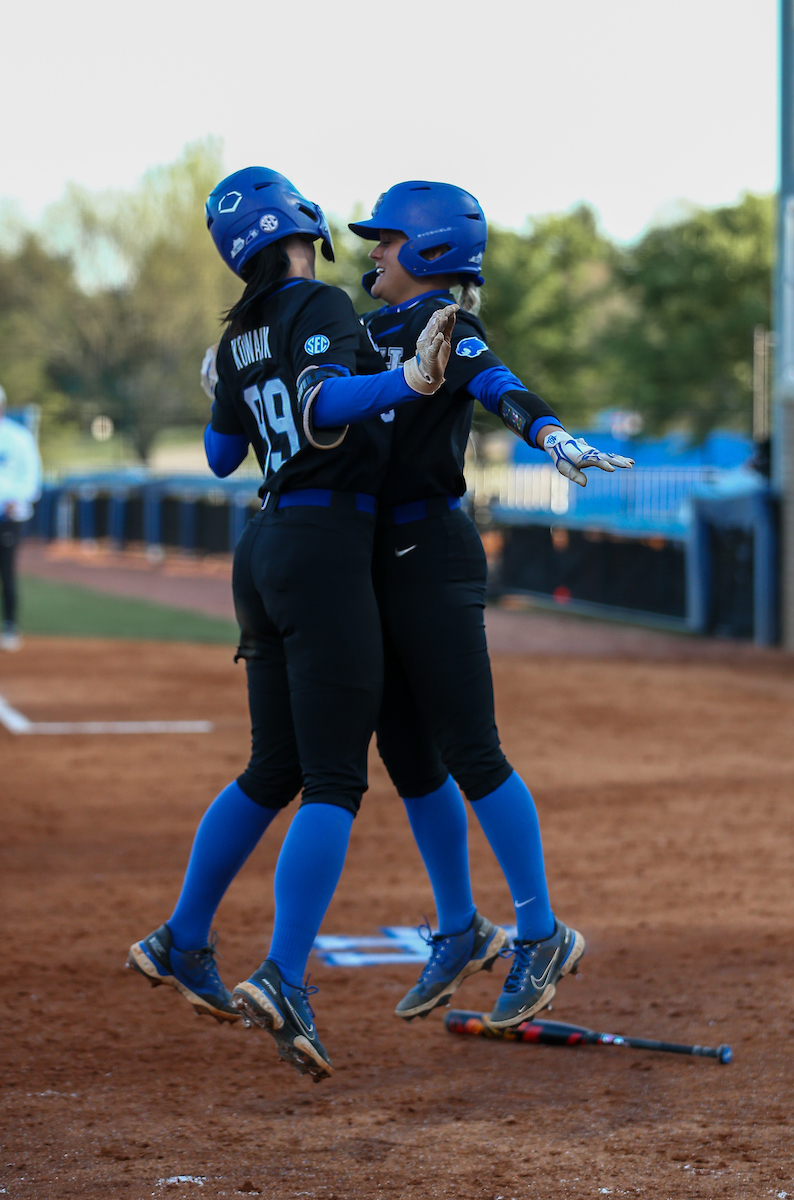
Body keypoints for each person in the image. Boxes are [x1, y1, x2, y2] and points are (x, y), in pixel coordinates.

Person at [127, 167, 456, 1081]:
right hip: (322, 544)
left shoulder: (239, 333)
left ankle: (182, 939)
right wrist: (402, 378)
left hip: (262, 549)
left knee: (272, 767)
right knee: (333, 780)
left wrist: (228, 379)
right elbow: (319, 408)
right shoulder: (314, 298)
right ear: (301, 222)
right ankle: (283, 972)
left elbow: (223, 455)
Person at [348, 181, 634, 1028]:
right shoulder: (365, 328)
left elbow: (495, 382)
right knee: (405, 752)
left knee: (472, 747)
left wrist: (548, 433)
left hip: (430, 552)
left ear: (431, 253)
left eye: (387, 240)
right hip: (375, 558)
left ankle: (540, 932)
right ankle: (461, 929)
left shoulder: (449, 326)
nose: (372, 250)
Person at [0, 384, 42, 651]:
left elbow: (32, 477)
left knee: (7, 573)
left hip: (10, 517)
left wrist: (19, 500)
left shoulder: (18, 438)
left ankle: (11, 626)